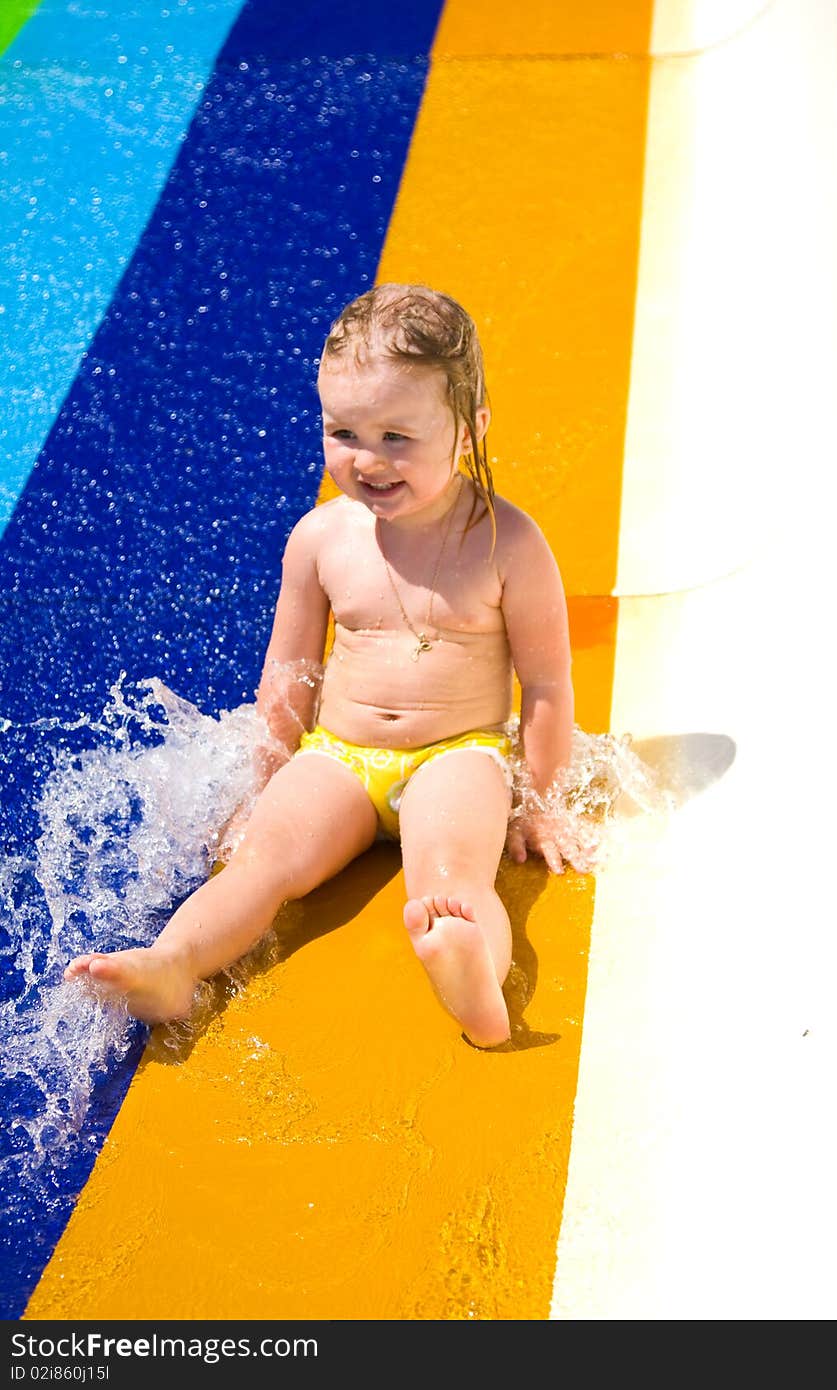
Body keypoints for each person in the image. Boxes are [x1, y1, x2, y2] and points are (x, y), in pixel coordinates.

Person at [65, 283, 595, 1048]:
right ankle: (173, 964)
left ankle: (472, 975)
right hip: (338, 756)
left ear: (470, 428)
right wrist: (266, 780)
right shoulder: (320, 539)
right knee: (261, 862)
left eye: (397, 437)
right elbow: (288, 671)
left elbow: (547, 685)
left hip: (456, 753)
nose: (368, 460)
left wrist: (542, 802)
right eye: (344, 432)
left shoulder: (507, 545)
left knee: (450, 877)